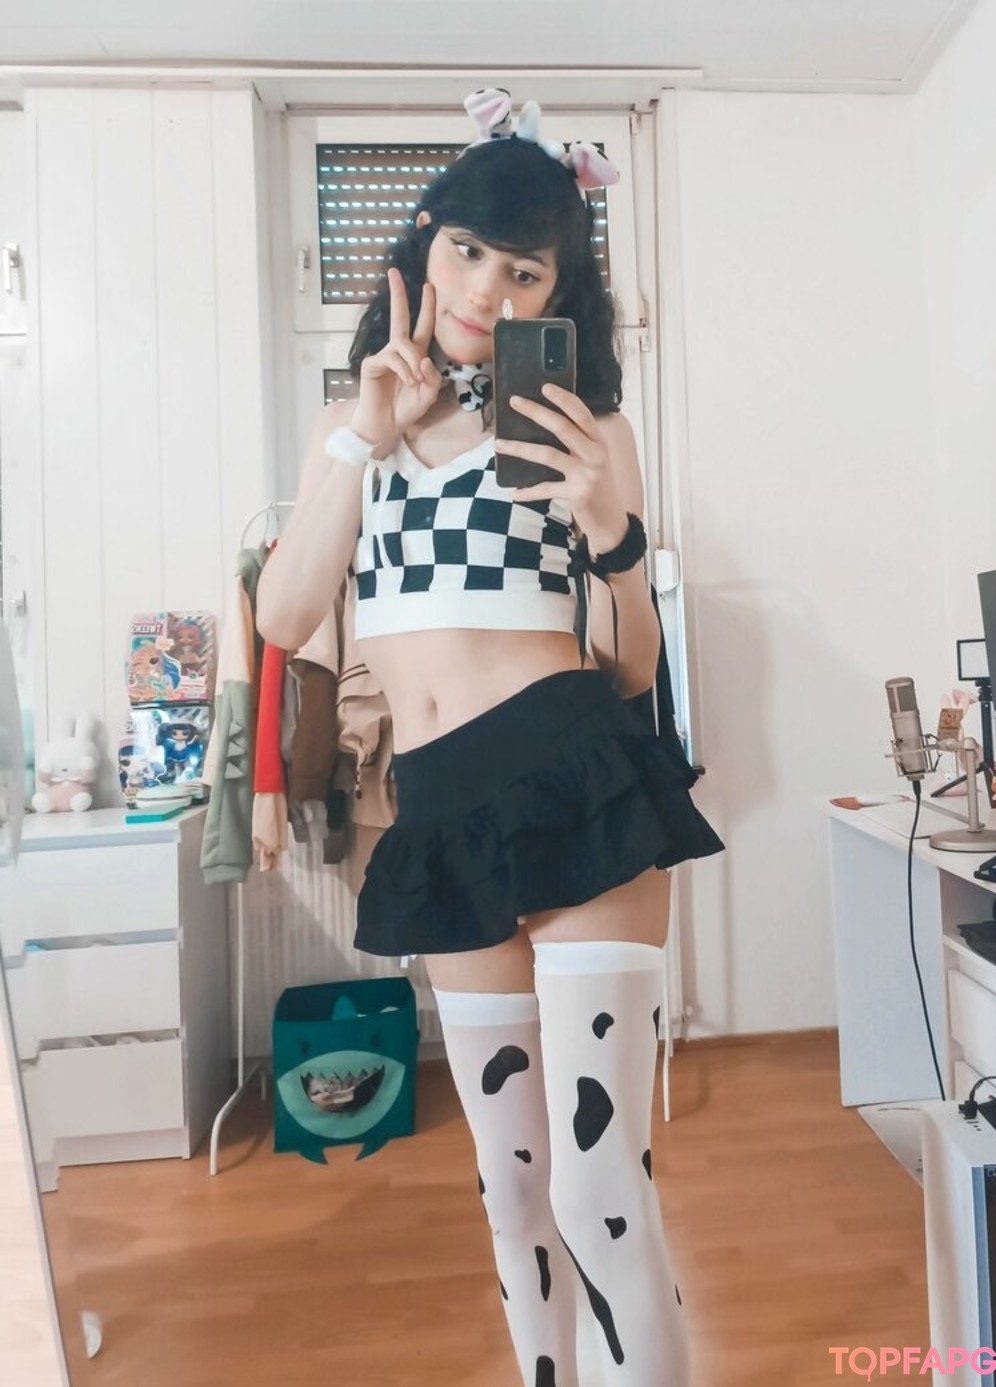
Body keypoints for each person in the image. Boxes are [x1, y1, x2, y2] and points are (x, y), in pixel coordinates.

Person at [257, 88, 722, 1387]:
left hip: (574, 785)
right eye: (469, 251)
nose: (484, 289)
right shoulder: (356, 437)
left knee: (597, 1190)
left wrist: (615, 532)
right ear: (423, 243)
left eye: (525, 271)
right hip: (442, 812)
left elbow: (630, 670)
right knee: (511, 1193)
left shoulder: (586, 430)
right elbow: (287, 616)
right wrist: (363, 437)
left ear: (559, 295)